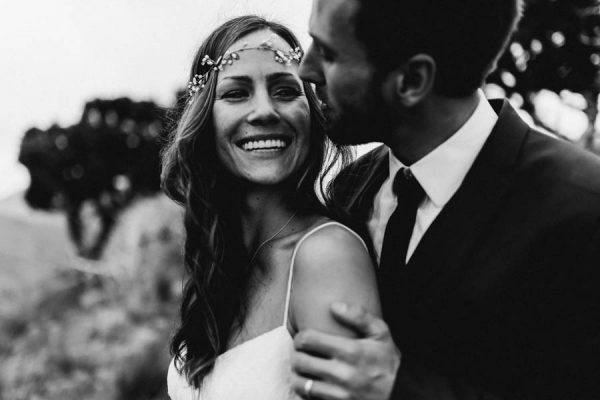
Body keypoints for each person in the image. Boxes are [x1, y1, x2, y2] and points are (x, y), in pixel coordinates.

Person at [292, 0, 600, 399]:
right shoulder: (348, 190)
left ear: (412, 80)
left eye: (329, 54)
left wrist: (402, 390)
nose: (306, 69)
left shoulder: (581, 213)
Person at [160, 15, 381, 400]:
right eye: (236, 93)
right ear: (204, 119)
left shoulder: (325, 256)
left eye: (284, 90)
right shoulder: (222, 260)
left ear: (310, 112)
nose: (264, 111)